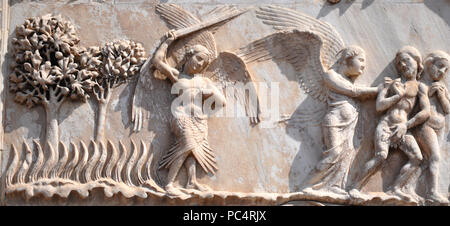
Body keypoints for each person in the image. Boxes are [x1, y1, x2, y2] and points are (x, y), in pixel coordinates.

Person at [350, 46, 430, 201]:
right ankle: (354, 187)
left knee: (417, 158)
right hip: (386, 126)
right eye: (400, 64)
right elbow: (379, 106)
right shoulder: (392, 83)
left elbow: (426, 112)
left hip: (403, 128)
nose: (403, 65)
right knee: (380, 156)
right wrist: (397, 95)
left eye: (406, 61)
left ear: (417, 61)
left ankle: (396, 188)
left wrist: (406, 125)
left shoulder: (420, 87)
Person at [154, 31, 227, 196]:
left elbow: (222, 101)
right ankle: (169, 184)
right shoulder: (178, 76)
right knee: (187, 145)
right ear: (189, 56)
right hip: (180, 116)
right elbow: (157, 62)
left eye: (204, 63)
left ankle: (191, 181)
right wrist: (168, 42)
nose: (200, 64)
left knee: (191, 148)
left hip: (199, 120)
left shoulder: (204, 81)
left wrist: (210, 93)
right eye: (198, 59)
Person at [302, 46, 379, 196]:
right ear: (347, 59)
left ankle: (334, 185)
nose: (363, 65)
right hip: (335, 122)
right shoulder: (330, 75)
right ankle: (308, 184)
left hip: (349, 125)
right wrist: (378, 90)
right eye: (361, 60)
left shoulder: (347, 80)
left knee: (346, 154)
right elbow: (353, 91)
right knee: (334, 153)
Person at [413, 51, 450, 204]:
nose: (442, 72)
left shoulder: (441, 87)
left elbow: (447, 109)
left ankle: (418, 188)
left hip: (439, 126)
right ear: (429, 64)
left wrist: (441, 96)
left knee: (431, 159)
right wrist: (429, 93)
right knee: (434, 156)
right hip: (424, 126)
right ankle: (432, 192)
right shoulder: (420, 85)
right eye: (440, 66)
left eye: (445, 70)